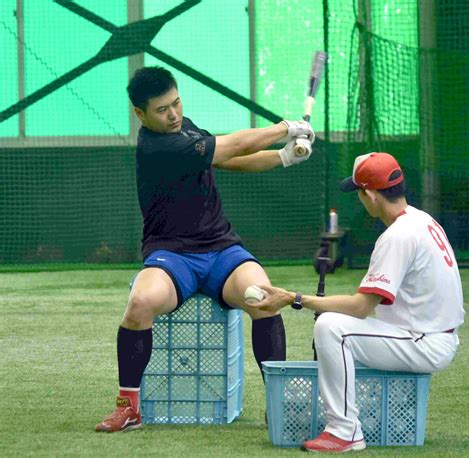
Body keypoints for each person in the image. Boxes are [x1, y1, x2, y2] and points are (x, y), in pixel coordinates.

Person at [95, 66, 316, 432]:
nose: (174, 114)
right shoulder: (158, 146)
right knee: (139, 304)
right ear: (140, 114)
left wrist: (285, 156)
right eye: (163, 109)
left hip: (221, 249)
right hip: (171, 255)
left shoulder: (185, 127)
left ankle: (278, 404)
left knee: (262, 295)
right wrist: (285, 128)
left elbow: (231, 159)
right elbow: (234, 144)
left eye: (176, 102)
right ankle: (128, 407)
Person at [249, 152, 465, 453]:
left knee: (331, 328)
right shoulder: (421, 220)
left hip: (423, 341)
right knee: (350, 329)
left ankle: (344, 430)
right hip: (429, 332)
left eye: (360, 192)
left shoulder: (398, 236)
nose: (360, 199)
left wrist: (294, 299)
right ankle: (372, 415)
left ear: (371, 195)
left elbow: (361, 306)